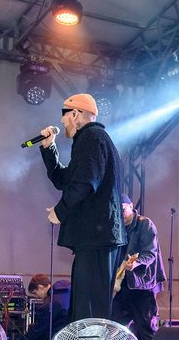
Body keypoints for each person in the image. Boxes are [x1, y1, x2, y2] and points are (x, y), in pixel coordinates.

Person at [38, 93, 126, 322]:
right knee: (85, 308)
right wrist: (49, 149)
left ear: (76, 114)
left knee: (89, 310)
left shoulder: (92, 137)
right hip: (94, 238)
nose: (62, 121)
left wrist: (60, 211)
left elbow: (85, 183)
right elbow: (65, 180)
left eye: (64, 115)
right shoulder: (91, 140)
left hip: (96, 236)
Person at [111, 194, 166, 340]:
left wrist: (136, 263)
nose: (120, 213)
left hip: (142, 285)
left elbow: (150, 253)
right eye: (117, 210)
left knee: (147, 329)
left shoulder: (145, 224)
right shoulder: (117, 226)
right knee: (115, 328)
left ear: (131, 206)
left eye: (122, 209)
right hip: (124, 285)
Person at [8, 274, 70, 340]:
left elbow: (38, 331)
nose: (37, 297)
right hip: (67, 339)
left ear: (41, 287)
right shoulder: (66, 293)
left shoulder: (50, 304)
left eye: (35, 293)